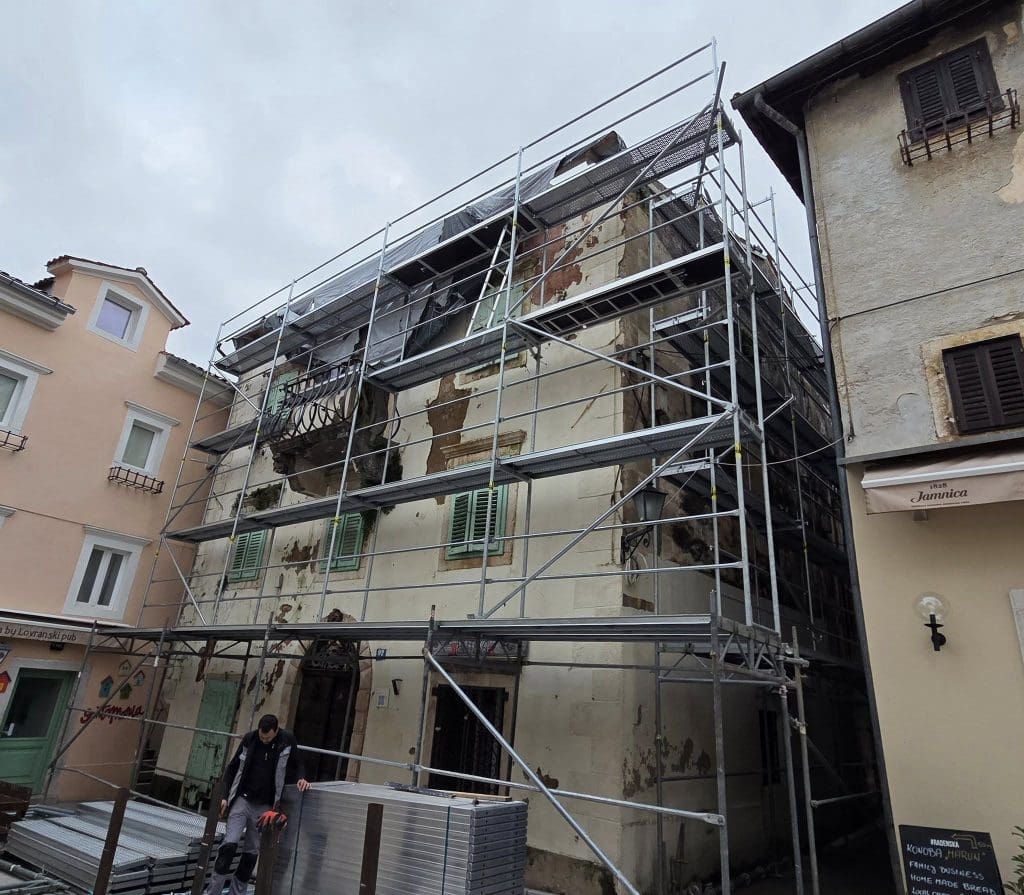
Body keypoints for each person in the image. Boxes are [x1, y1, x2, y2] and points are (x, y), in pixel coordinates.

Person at [204, 714, 311, 895]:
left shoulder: (287, 740)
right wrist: (225, 796)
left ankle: (237, 892)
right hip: (243, 799)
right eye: (262, 737)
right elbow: (232, 767)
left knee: (251, 854)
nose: (264, 741)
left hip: (264, 806)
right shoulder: (250, 739)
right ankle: (213, 892)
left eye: (267, 738)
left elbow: (298, 763)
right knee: (229, 846)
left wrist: (302, 778)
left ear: (276, 731)